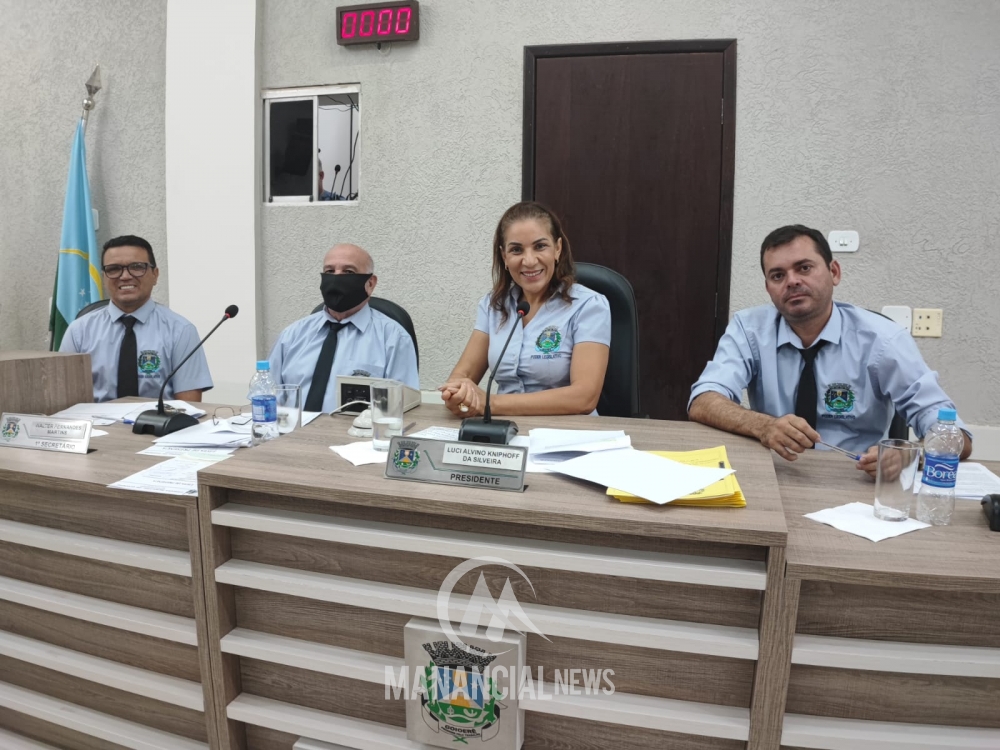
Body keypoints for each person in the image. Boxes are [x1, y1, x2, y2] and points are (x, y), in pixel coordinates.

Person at [688, 224, 972, 477]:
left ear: (834, 272)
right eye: (777, 275)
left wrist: (910, 455)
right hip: (775, 472)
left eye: (804, 268)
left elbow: (957, 435)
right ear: (768, 288)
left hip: (855, 478)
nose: (792, 281)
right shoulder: (749, 329)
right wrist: (764, 426)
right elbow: (703, 400)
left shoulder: (883, 339)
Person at [440, 202, 611, 417]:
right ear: (504, 257)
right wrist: (457, 393)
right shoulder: (493, 305)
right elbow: (461, 377)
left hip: (568, 431)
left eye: (540, 246)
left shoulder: (588, 305)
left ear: (557, 248)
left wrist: (491, 404)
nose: (529, 261)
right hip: (505, 430)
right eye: (516, 250)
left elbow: (584, 397)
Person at [60, 235, 213, 402]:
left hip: (158, 419)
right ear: (104, 277)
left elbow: (189, 407)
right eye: (114, 269)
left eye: (137, 267)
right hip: (95, 419)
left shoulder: (181, 331)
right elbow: (65, 399)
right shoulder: (79, 332)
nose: (125, 276)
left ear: (155, 275)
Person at [268, 243, 418, 412]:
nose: (336, 279)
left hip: (357, 429)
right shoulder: (292, 335)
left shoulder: (393, 338)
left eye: (348, 272)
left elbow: (402, 408)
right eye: (330, 271)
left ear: (370, 283)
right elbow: (265, 398)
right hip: (294, 427)